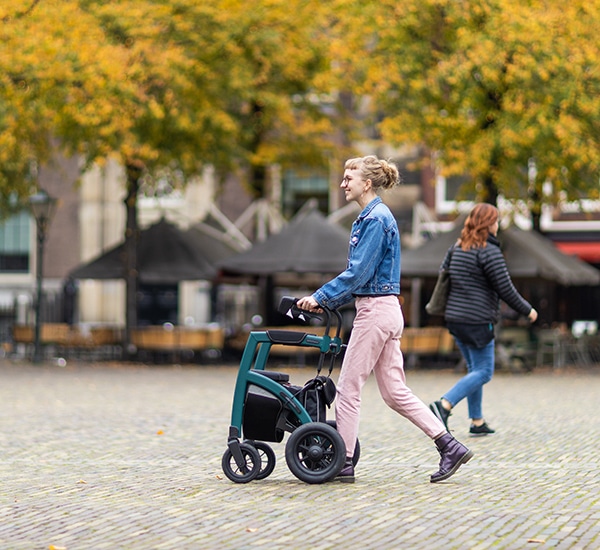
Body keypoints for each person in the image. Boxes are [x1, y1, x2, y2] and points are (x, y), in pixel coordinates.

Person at [297, 155, 473, 484]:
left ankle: (344, 461)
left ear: (367, 183)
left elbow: (358, 273)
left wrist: (320, 297)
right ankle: (449, 445)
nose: (343, 183)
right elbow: (362, 276)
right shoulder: (371, 217)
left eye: (349, 177)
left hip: (376, 312)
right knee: (394, 392)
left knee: (348, 387)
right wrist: (328, 299)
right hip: (386, 310)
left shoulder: (375, 219)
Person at [429, 203, 538, 436]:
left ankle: (476, 421)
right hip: (477, 320)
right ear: (488, 224)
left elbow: (445, 275)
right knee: (484, 371)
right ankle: (444, 405)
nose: (498, 225)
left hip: (455, 319)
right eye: (496, 220)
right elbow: (505, 289)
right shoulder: (489, 251)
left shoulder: (457, 248)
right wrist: (527, 310)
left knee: (474, 369)